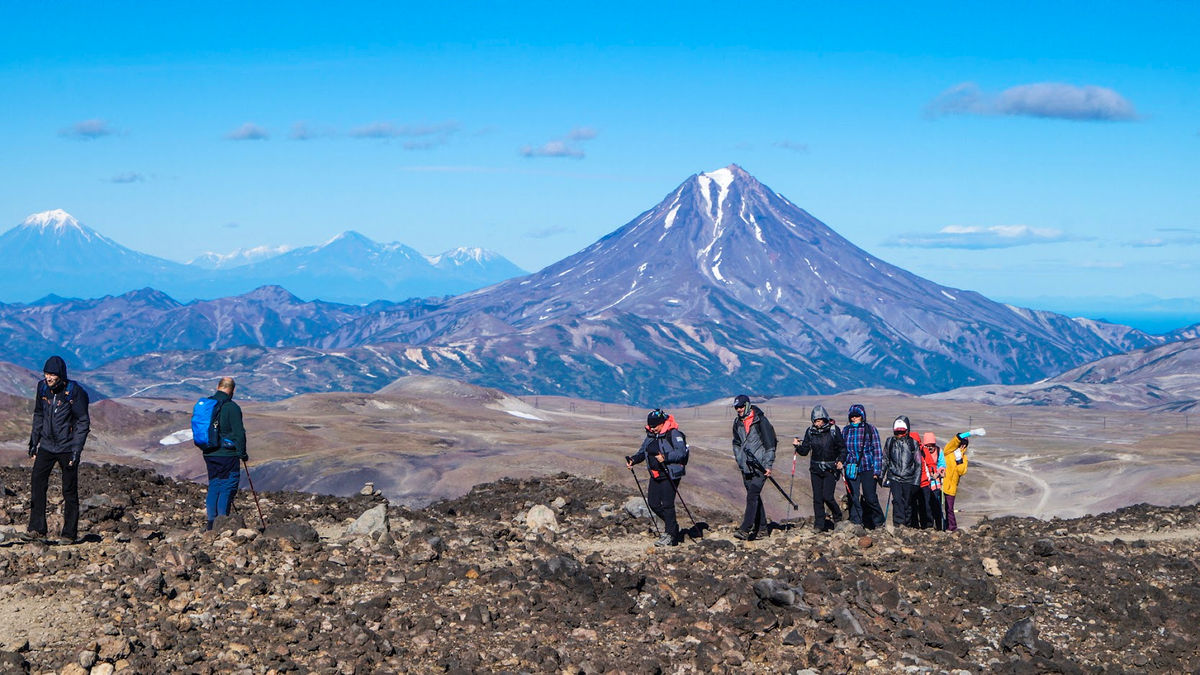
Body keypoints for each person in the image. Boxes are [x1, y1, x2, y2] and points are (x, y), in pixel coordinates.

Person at [25, 356, 90, 544]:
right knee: (37, 483)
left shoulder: (74, 392)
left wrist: (76, 450)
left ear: (61, 375)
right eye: (46, 373)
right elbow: (38, 414)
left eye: (52, 374)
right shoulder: (42, 388)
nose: (48, 377)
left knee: (69, 490)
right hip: (46, 445)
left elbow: (82, 422)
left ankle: (69, 534)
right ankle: (37, 528)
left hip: (66, 447)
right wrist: (33, 442)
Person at [627, 409, 689, 547]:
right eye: (651, 426)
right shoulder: (650, 435)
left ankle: (671, 535)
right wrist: (633, 460)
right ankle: (672, 526)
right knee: (654, 504)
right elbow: (643, 452)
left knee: (667, 504)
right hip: (655, 474)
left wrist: (665, 457)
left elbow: (681, 453)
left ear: (662, 423)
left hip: (669, 474)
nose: (652, 429)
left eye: (655, 426)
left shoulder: (673, 433)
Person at [202, 377, 248, 531]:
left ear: (218, 386)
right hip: (227, 454)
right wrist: (242, 453)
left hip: (209, 452)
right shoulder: (231, 407)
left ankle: (211, 523)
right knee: (227, 486)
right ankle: (222, 524)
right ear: (233, 390)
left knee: (215, 484)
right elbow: (239, 433)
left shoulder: (208, 404)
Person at [731, 394, 777, 541]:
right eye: (736, 407)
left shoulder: (760, 421)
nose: (738, 409)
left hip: (760, 466)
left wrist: (768, 465)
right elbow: (736, 443)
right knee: (754, 497)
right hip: (746, 467)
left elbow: (770, 445)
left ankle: (745, 529)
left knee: (752, 496)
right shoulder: (737, 423)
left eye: (741, 406)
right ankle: (762, 529)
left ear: (748, 405)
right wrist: (739, 459)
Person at [793, 404, 845, 532]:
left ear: (825, 419)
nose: (818, 423)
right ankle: (819, 524)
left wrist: (840, 461)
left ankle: (838, 516)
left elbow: (842, 448)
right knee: (817, 498)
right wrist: (797, 446)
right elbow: (805, 450)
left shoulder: (834, 430)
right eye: (816, 420)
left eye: (820, 420)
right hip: (815, 469)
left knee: (828, 496)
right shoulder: (810, 432)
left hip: (830, 469)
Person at [842, 404, 885, 529]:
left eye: (857, 416)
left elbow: (877, 451)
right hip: (851, 468)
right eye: (852, 416)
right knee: (853, 496)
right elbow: (842, 450)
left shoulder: (870, 429)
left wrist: (877, 470)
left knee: (869, 496)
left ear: (862, 416)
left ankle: (879, 521)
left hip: (868, 467)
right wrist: (842, 463)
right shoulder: (846, 430)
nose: (854, 418)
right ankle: (856, 522)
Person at [882, 416, 922, 528]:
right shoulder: (889, 442)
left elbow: (918, 463)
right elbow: (885, 459)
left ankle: (907, 525)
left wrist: (916, 482)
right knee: (897, 501)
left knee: (907, 503)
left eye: (902, 432)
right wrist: (880, 475)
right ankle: (898, 525)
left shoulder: (913, 443)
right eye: (897, 432)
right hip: (894, 477)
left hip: (909, 478)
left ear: (907, 431)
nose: (899, 434)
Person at [941, 432, 971, 532]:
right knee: (938, 506)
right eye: (961, 443)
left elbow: (961, 471)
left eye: (964, 444)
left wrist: (959, 460)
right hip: (941, 483)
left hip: (952, 486)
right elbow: (949, 446)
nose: (962, 446)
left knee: (949, 508)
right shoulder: (949, 452)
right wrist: (958, 438)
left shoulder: (964, 458)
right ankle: (939, 525)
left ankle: (952, 527)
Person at [917, 432, 946, 530]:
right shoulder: (921, 452)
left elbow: (942, 464)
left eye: (932, 445)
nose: (930, 448)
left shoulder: (939, 451)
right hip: (925, 484)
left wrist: (939, 472)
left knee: (937, 508)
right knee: (925, 507)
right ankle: (926, 526)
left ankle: (939, 528)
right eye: (927, 446)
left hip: (936, 486)